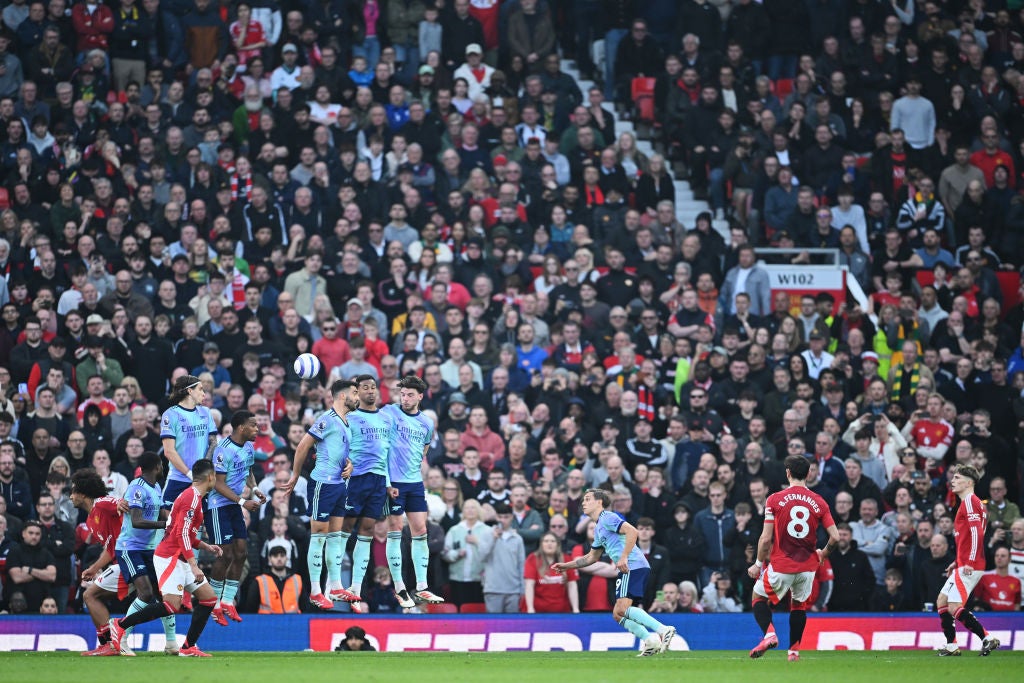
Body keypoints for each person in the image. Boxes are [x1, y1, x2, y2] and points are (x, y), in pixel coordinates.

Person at [109, 459, 225, 658]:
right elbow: (180, 535)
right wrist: (194, 565)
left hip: (181, 556)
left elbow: (181, 532)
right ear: (210, 477)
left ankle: (188, 647)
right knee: (172, 605)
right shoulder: (192, 499)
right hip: (170, 557)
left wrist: (205, 546)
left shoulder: (192, 496)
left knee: (208, 599)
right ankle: (120, 624)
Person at [552, 488, 675, 657]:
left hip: (632, 565)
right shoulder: (598, 528)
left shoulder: (608, 517)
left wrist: (623, 557)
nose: (583, 502)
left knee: (623, 609)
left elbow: (633, 531)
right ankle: (650, 640)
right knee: (618, 614)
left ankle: (663, 630)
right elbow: (591, 557)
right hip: (629, 566)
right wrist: (568, 565)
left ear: (599, 502)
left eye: (588, 499)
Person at [747, 454, 840, 663]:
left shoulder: (774, 499)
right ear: (808, 474)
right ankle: (794, 653)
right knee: (798, 605)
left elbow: (765, 539)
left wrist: (757, 564)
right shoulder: (819, 502)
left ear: (787, 473)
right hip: (808, 567)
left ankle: (770, 635)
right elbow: (835, 536)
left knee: (758, 597)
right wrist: (823, 554)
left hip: (782, 564)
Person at [286, 380, 359, 608]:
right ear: (341, 396)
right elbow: (303, 446)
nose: (358, 397)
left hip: (339, 485)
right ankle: (316, 591)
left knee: (336, 537)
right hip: (322, 484)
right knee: (318, 535)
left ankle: (335, 587)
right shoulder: (326, 419)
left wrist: (350, 466)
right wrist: (296, 475)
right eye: (354, 393)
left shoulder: (347, 422)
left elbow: (341, 453)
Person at [381, 375, 445, 607]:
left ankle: (422, 586)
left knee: (420, 530)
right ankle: (399, 586)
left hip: (415, 483)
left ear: (419, 396)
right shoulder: (389, 412)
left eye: (410, 394)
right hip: (394, 482)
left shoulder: (427, 423)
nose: (405, 398)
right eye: (402, 394)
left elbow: (424, 449)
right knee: (396, 529)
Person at [107, 453, 178, 654]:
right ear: (156, 467)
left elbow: (163, 511)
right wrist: (164, 525)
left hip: (148, 549)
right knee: (146, 593)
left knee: (165, 594)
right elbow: (137, 520)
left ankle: (171, 643)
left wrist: (178, 520)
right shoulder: (136, 488)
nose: (163, 468)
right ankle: (121, 635)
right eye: (161, 466)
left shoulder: (155, 487)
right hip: (130, 549)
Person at [337, 374, 393, 613]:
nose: (371, 391)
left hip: (378, 481)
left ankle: (356, 588)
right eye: (365, 388)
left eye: (374, 387)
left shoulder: (385, 418)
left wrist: (390, 482)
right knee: (345, 527)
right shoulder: (350, 417)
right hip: (355, 479)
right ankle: (335, 582)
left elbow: (389, 452)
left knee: (368, 529)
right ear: (356, 393)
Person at [206, 411, 266, 626]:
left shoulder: (248, 447)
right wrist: (243, 503)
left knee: (241, 552)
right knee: (226, 554)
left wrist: (255, 488)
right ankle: (212, 604)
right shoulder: (223, 450)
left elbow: (248, 471)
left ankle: (228, 601)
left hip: (234, 504)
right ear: (241, 427)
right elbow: (217, 484)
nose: (257, 430)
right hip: (217, 506)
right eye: (253, 426)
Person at [934, 464, 1000, 657]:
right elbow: (968, 536)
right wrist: (958, 560)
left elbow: (977, 532)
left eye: (957, 478)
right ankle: (952, 646)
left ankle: (987, 638)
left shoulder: (970, 501)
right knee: (942, 601)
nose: (952, 481)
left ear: (969, 482)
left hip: (971, 564)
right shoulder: (970, 503)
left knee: (954, 606)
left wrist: (969, 560)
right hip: (965, 562)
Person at [70, 468, 133, 656]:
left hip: (129, 560)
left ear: (82, 494)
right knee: (91, 595)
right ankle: (111, 642)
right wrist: (94, 568)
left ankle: (110, 644)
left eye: (73, 492)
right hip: (121, 560)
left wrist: (122, 505)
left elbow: (119, 503)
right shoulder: (91, 519)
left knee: (90, 596)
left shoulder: (102, 503)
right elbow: (110, 548)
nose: (70, 496)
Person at [160, 375, 218, 509]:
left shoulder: (206, 412)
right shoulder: (170, 415)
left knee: (200, 526)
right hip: (178, 478)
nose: (204, 394)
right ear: (189, 391)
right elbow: (169, 451)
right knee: (168, 523)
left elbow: (213, 443)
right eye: (200, 389)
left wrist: (202, 470)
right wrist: (190, 474)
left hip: (202, 480)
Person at [524, 531, 579, 613]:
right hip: (538, 611)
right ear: (541, 544)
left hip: (562, 611)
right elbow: (529, 585)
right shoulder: (532, 559)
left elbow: (572, 585)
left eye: (552, 541)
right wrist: (530, 609)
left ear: (557, 544)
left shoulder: (567, 560)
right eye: (546, 541)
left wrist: (575, 609)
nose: (549, 544)